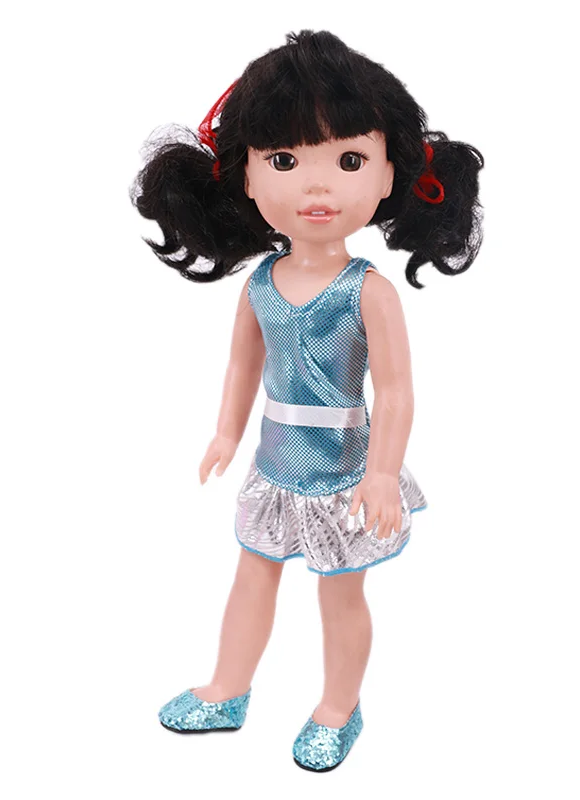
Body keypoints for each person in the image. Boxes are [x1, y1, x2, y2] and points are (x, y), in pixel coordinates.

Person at [130, 28, 484, 772]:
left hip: (343, 472)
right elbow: (242, 363)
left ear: (389, 176)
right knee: (251, 577)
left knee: (339, 594)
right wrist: (226, 433)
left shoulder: (368, 291)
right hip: (274, 464)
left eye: (349, 161)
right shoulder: (260, 284)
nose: (316, 188)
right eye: (285, 161)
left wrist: (381, 473)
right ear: (246, 176)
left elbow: (396, 389)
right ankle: (228, 689)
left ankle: (338, 709)